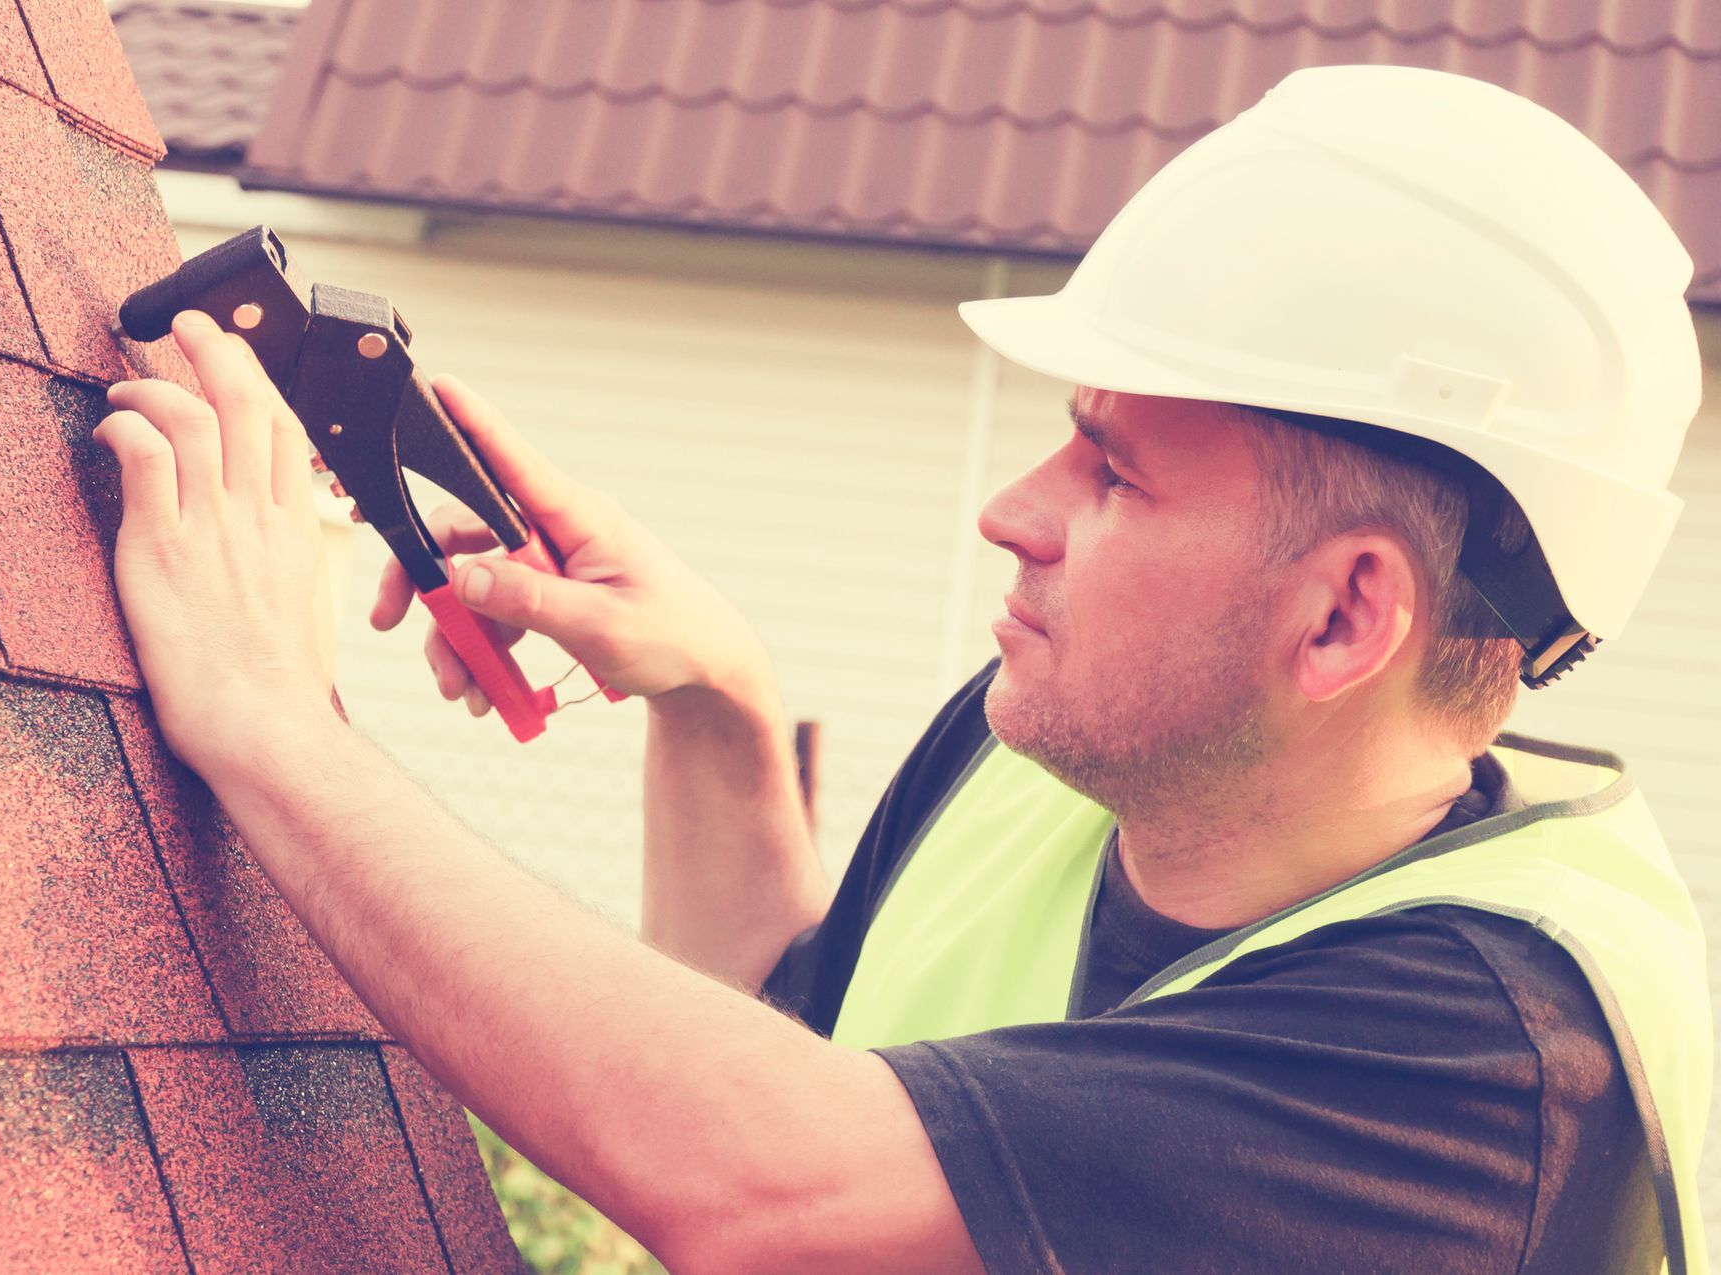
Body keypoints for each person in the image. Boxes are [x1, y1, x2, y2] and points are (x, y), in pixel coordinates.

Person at [93, 65, 1709, 1273]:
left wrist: (270, 721)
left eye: (1114, 474)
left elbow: (765, 1177)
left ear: (1346, 619)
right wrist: (715, 708)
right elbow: (799, 1048)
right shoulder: (1056, 756)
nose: (1018, 515)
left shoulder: (1484, 1064)